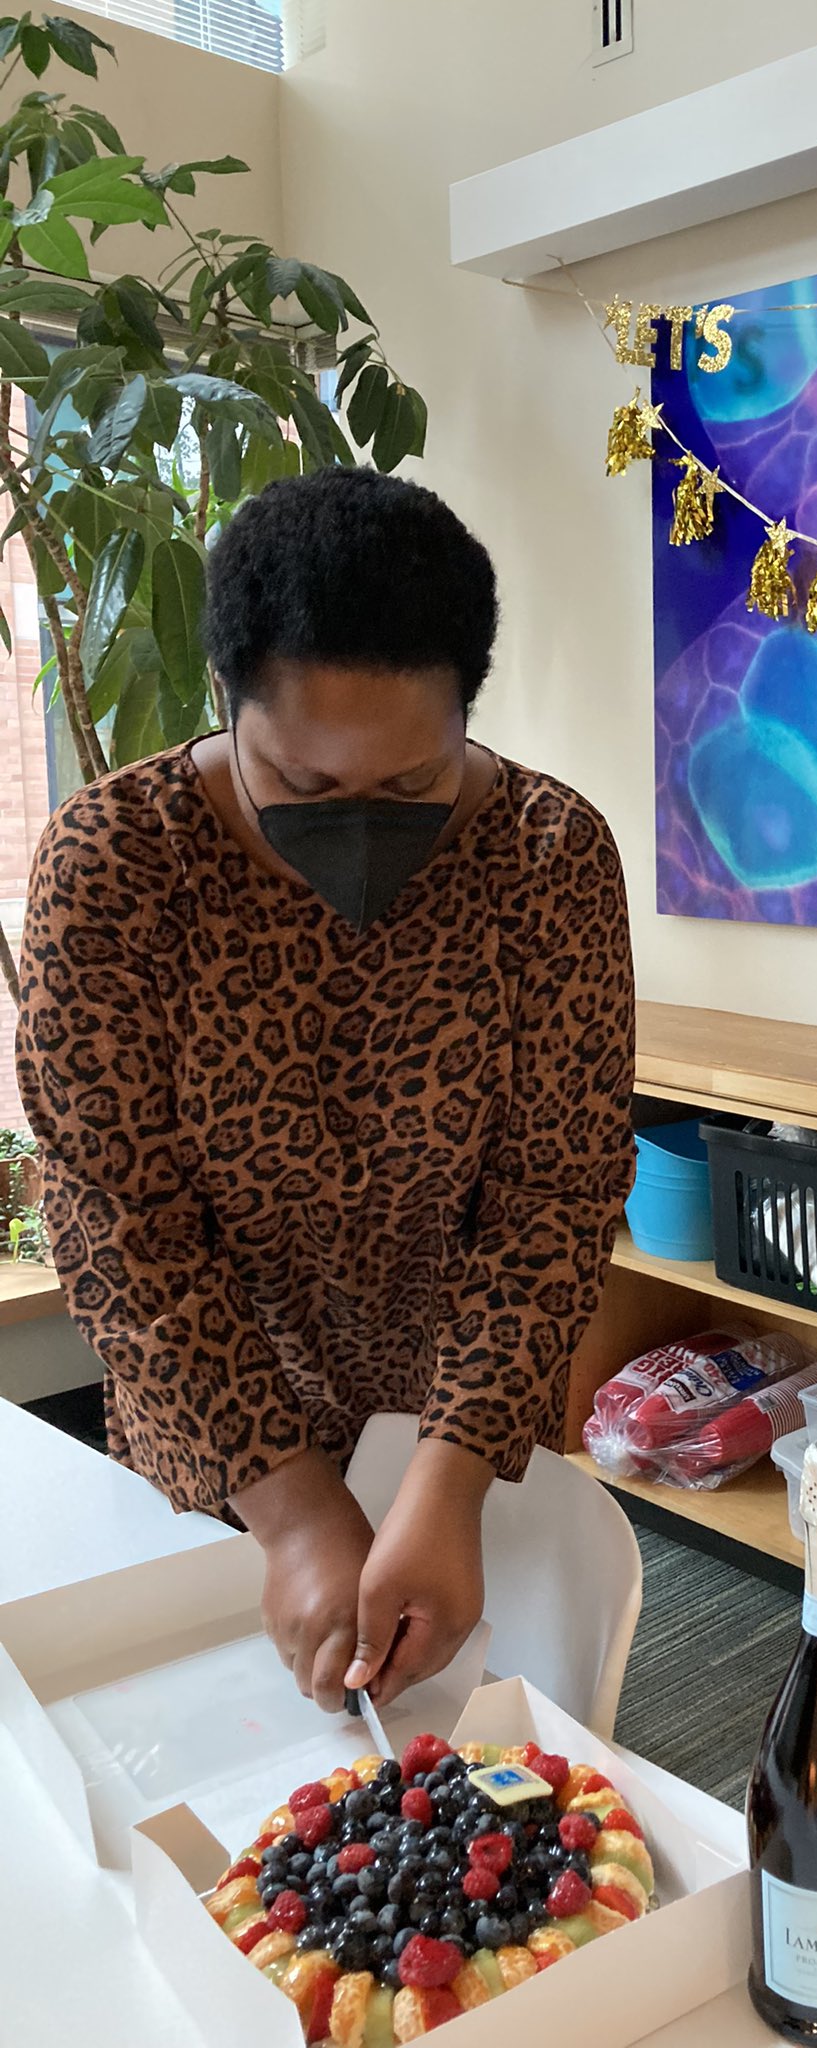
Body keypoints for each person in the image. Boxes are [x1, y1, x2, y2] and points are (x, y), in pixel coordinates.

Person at [15, 466, 636, 1713]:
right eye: (299, 784)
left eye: (412, 788)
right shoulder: (114, 871)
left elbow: (552, 1200)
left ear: (470, 711)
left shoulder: (547, 858)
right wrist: (291, 1509)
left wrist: (448, 1477)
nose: (354, 821)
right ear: (225, 704)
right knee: (226, 1771)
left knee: (487, 1760)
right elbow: (119, 1223)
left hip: (463, 1412)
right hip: (218, 1433)